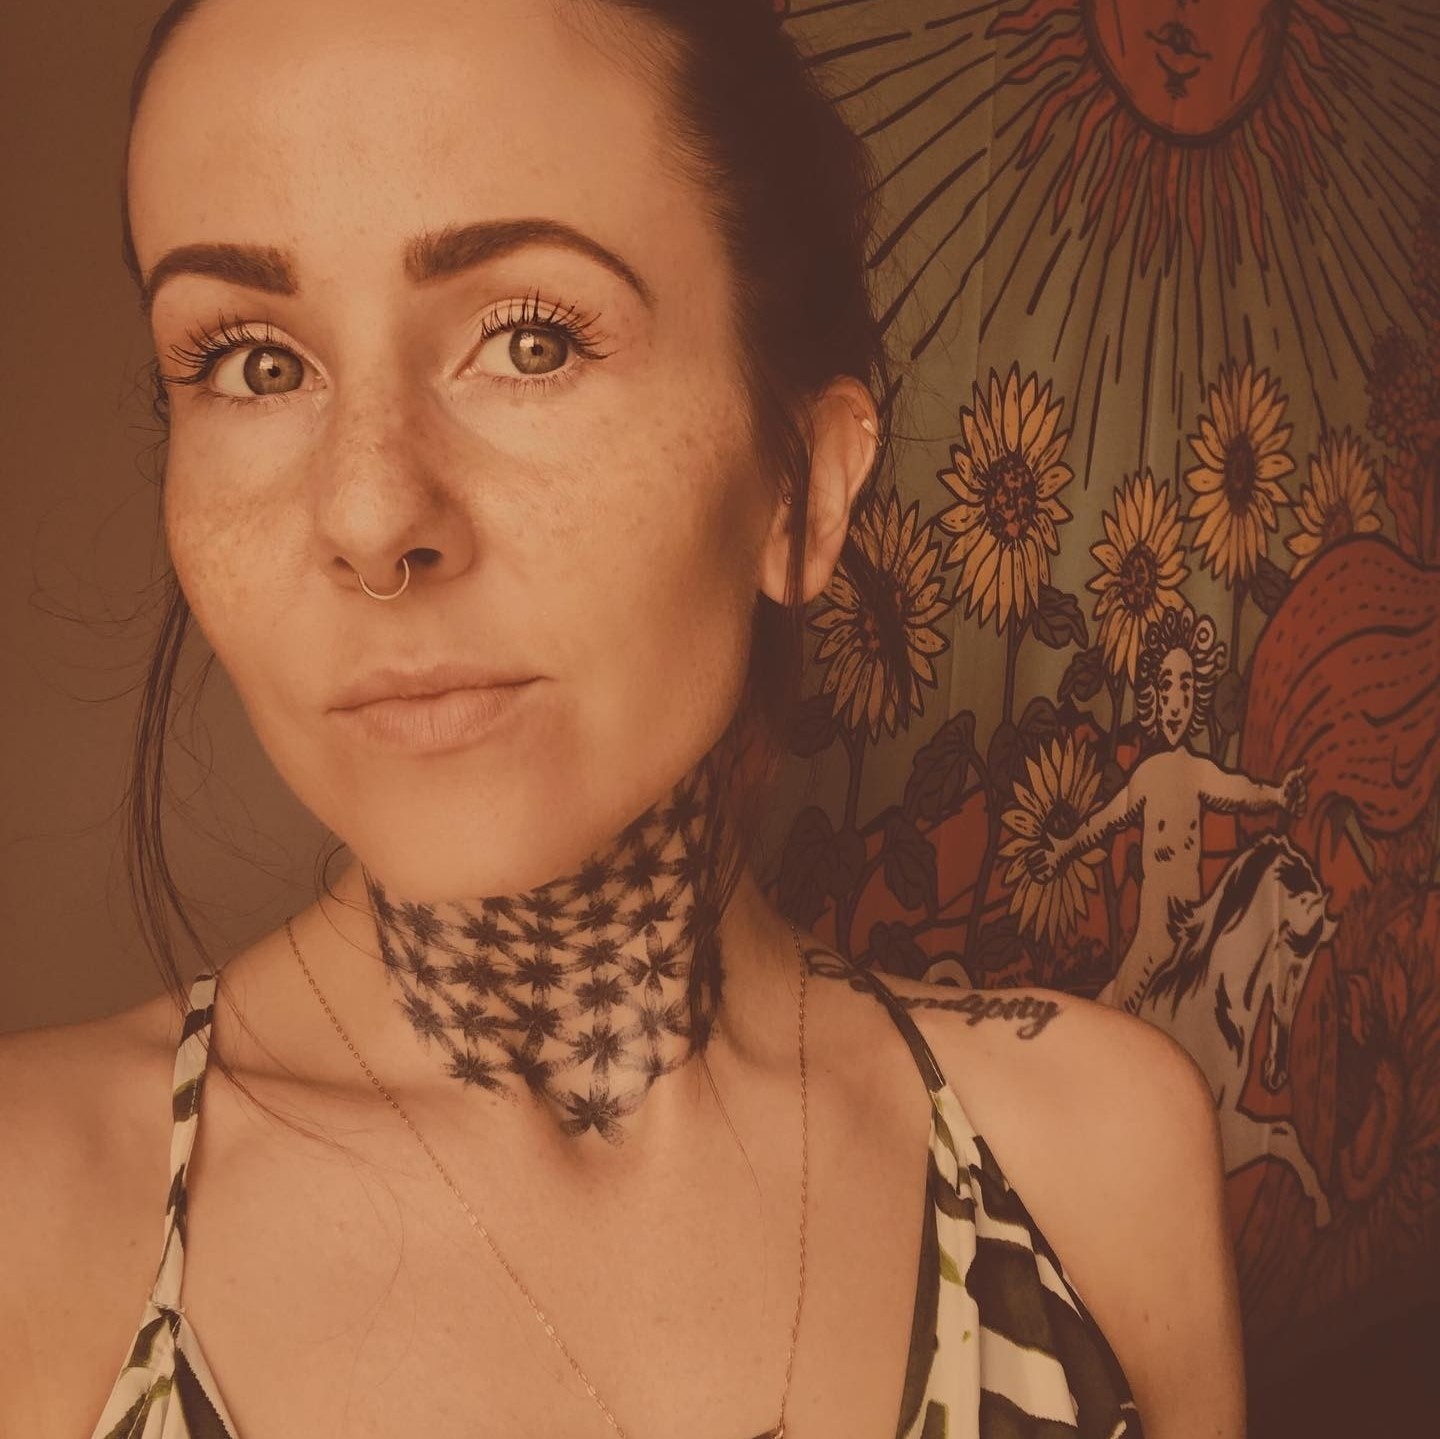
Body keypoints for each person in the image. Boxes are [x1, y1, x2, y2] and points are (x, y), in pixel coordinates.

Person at [0, 1, 1244, 1435]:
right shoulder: (43, 1219)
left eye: (529, 341)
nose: (369, 514)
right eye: (253, 363)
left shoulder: (1094, 1157)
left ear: (802, 486)